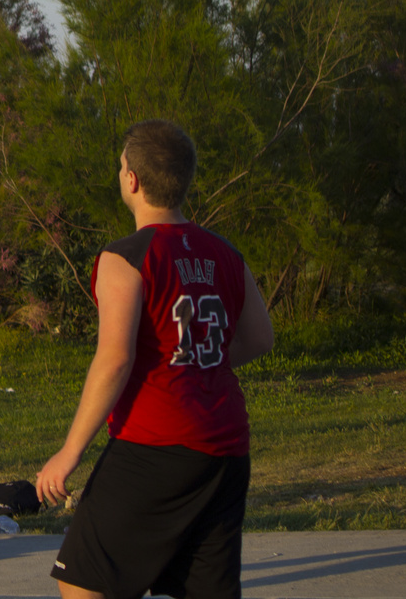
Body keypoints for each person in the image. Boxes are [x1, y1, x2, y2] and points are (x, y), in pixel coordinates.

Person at [36, 120, 275, 599]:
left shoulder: (125, 258)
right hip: (227, 447)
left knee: (83, 581)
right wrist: (194, 362)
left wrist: (69, 453)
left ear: (132, 181)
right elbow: (260, 338)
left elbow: (115, 360)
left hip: (157, 445)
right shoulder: (224, 253)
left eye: (122, 164)